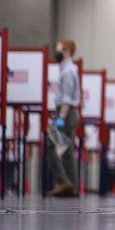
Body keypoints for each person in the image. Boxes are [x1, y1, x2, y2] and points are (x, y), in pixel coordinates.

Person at [47, 39, 80, 197]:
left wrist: (60, 119)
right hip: (69, 112)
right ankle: (72, 187)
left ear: (67, 50)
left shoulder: (67, 71)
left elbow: (66, 99)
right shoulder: (69, 69)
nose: (57, 52)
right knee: (66, 150)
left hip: (65, 112)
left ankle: (62, 181)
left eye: (58, 49)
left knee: (49, 144)